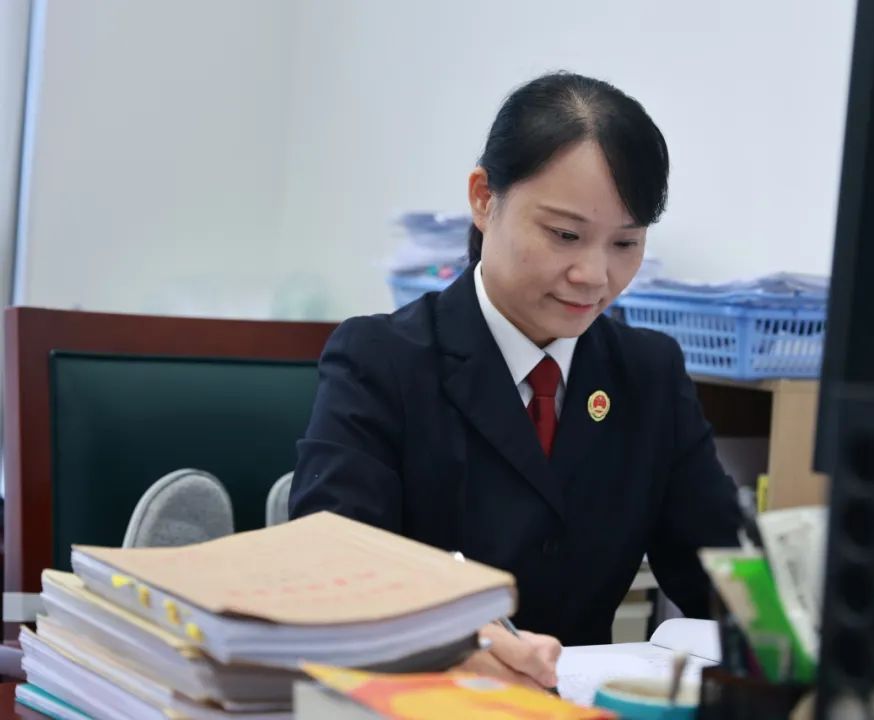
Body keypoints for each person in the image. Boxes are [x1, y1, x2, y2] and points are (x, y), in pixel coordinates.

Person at [290, 72, 742, 690]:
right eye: (565, 235)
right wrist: (458, 640)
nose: (594, 274)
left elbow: (725, 581)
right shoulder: (380, 360)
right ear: (484, 198)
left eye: (625, 243)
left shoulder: (649, 375)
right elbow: (333, 567)